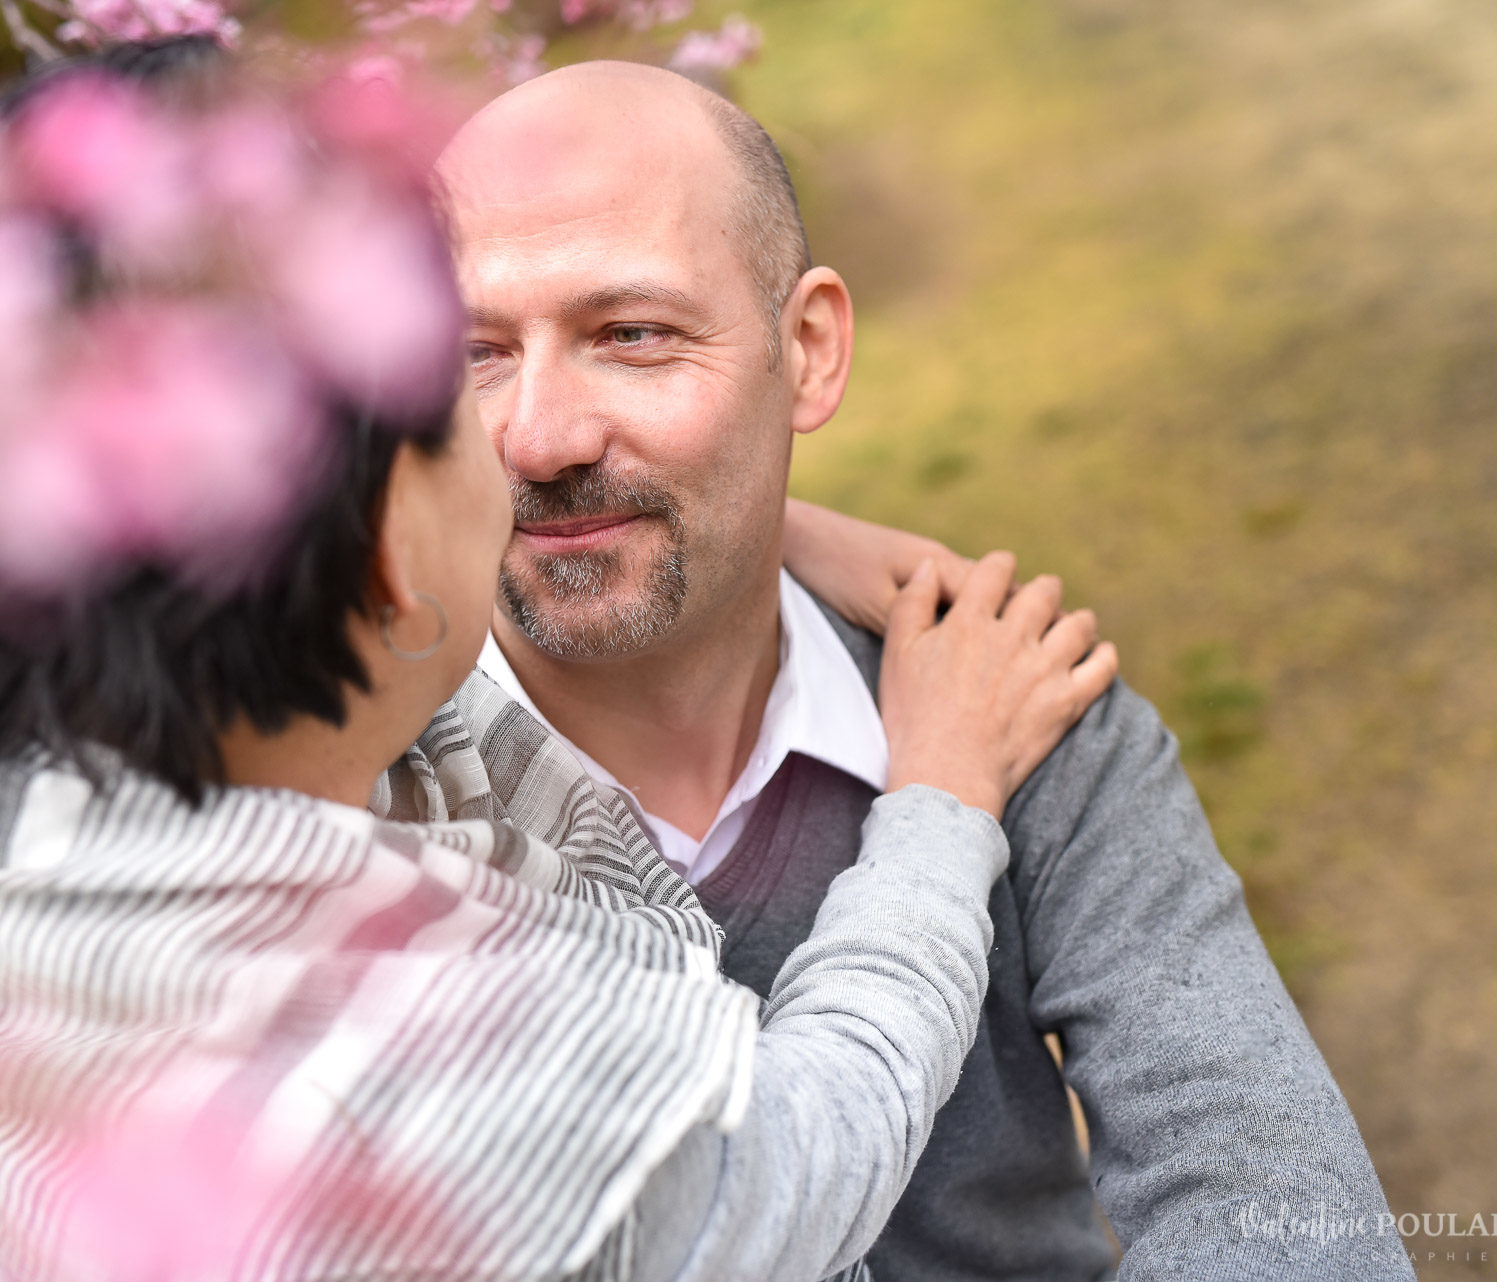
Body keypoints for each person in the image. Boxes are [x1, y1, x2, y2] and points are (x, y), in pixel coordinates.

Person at [0, 40, 1115, 1282]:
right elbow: (806, 1149)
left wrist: (755, 518)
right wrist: (941, 795)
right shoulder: (442, 1084)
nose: (535, 443)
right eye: (466, 384)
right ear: (390, 570)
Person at [440, 60, 1414, 1281]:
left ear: (809, 350)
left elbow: (1285, 1218)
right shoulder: (354, 801)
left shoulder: (1012, 698)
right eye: (476, 352)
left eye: (631, 335)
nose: (538, 434)